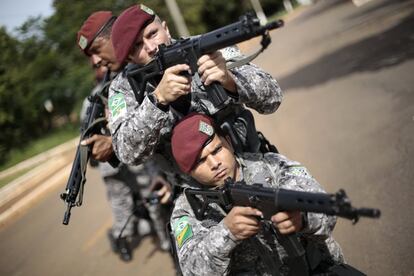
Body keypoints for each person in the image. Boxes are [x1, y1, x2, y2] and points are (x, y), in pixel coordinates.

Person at [107, 4, 283, 171]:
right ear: (129, 58)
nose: (151, 48)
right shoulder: (122, 88)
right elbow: (126, 153)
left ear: (166, 29)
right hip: (191, 194)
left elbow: (273, 98)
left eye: (152, 34)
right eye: (138, 46)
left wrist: (230, 82)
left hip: (251, 164)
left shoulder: (209, 47)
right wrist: (157, 101)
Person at [169, 113, 348, 275]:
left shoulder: (271, 165)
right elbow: (192, 270)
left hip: (319, 268)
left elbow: (327, 210)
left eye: (217, 150)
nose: (215, 163)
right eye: (201, 161)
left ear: (229, 142)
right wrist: (227, 233)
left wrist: (303, 219)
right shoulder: (186, 210)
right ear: (188, 172)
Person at [76, 11, 172, 261]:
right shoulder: (112, 88)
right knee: (133, 204)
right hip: (154, 170)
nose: (96, 61)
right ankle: (152, 241)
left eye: (97, 51)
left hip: (180, 168)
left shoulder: (154, 57)